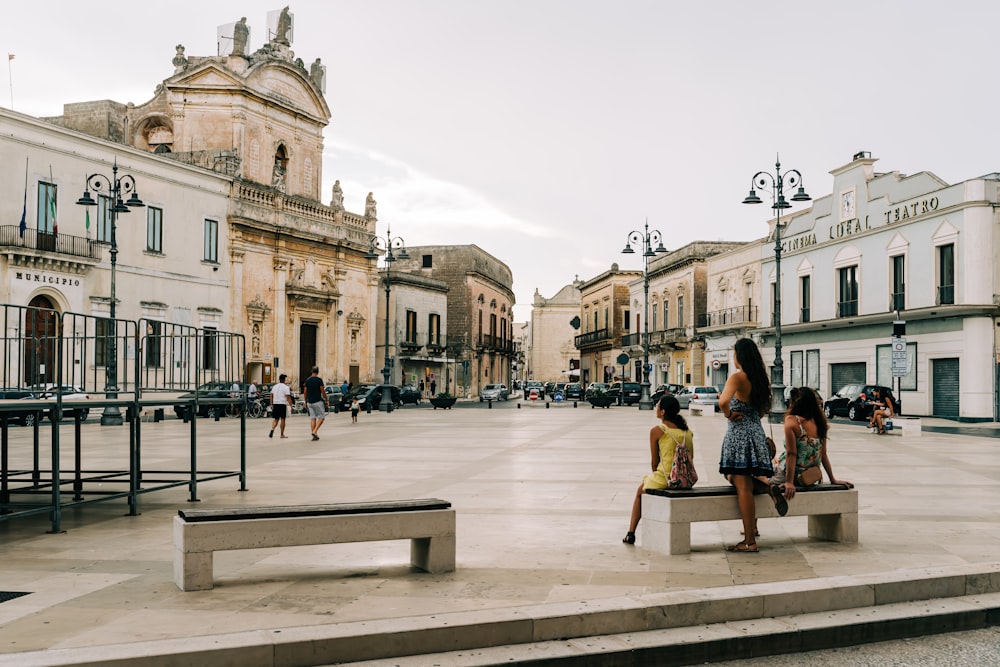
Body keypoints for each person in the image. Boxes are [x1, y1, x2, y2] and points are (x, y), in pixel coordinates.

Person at [751, 387, 854, 535]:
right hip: (809, 476)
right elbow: (823, 454)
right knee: (770, 467)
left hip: (790, 474)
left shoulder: (792, 422)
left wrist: (789, 482)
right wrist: (833, 479)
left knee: (754, 479)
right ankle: (759, 514)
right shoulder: (820, 422)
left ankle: (753, 526)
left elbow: (791, 454)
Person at [718, 338, 774, 553]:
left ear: (739, 356)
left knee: (742, 487)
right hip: (756, 434)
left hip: (739, 436)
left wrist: (729, 413)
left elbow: (723, 402)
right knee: (746, 482)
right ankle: (768, 493)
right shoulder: (760, 379)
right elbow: (761, 411)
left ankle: (749, 541)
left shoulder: (738, 377)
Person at [623, 394, 693, 545]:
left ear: (663, 412)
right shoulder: (687, 432)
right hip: (686, 479)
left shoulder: (658, 430)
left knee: (640, 491)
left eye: (658, 406)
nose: (656, 408)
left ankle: (631, 533)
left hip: (666, 478)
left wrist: (659, 474)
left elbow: (654, 462)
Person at [303, 366, 328, 441]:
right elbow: (322, 391)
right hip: (317, 401)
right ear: (318, 372)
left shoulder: (307, 380)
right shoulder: (319, 380)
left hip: (310, 402)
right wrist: (326, 399)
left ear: (311, 371)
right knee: (322, 417)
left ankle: (314, 435)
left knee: (312, 418)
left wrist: (305, 401)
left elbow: (305, 391)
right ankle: (314, 431)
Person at [269, 374, 293, 439]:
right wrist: (291, 405)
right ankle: (282, 434)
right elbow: (288, 397)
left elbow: (271, 395)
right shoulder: (286, 387)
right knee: (283, 419)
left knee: (276, 419)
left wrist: (271, 403)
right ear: (284, 380)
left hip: (275, 404)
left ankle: (272, 429)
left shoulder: (275, 386)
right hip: (282, 404)